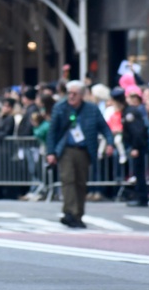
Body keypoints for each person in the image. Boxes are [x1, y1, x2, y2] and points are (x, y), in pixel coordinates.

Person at [45, 80, 114, 228]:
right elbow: (52, 132)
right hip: (66, 149)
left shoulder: (92, 109)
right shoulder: (60, 107)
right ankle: (69, 212)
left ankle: (77, 215)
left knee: (81, 183)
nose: (71, 96)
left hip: (84, 150)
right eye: (69, 93)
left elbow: (104, 127)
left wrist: (110, 142)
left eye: (74, 93)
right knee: (68, 180)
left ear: (82, 95)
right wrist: (50, 152)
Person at [121, 85, 149, 207]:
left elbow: (137, 131)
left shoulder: (132, 111)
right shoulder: (135, 110)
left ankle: (142, 197)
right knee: (138, 172)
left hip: (138, 146)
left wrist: (135, 147)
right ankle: (141, 196)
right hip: (137, 145)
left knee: (139, 172)